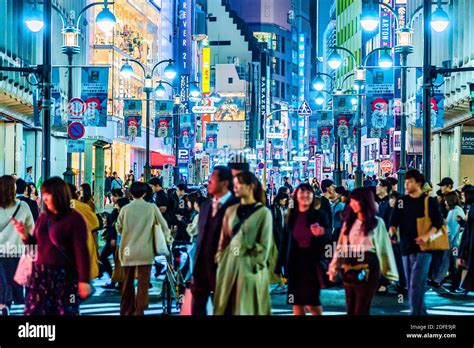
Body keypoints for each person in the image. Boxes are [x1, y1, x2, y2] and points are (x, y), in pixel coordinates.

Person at [13, 177, 91, 315]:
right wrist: (24, 235)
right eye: (44, 194)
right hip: (40, 276)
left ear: (59, 195)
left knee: (64, 311)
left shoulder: (74, 219)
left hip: (64, 276)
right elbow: (35, 245)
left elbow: (81, 250)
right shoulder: (43, 218)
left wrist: (84, 280)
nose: (45, 198)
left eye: (48, 194)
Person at [328, 188, 398, 315]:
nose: (353, 204)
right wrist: (334, 266)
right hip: (349, 265)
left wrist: (389, 274)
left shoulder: (377, 223)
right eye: (352, 201)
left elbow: (384, 249)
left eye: (356, 201)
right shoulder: (348, 223)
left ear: (365, 202)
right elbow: (340, 246)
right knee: (350, 307)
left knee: (362, 307)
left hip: (369, 266)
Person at [213, 172, 273, 315]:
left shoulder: (264, 213)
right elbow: (223, 241)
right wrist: (221, 259)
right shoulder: (230, 210)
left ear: (251, 186)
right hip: (228, 267)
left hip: (250, 270)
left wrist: (252, 264)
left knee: (248, 308)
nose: (236, 187)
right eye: (235, 183)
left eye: (239, 183)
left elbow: (265, 246)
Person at [389, 170, 443, 315]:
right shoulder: (401, 201)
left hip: (424, 248)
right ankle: (421, 313)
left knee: (415, 284)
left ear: (418, 183)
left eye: (409, 182)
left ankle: (415, 314)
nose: (406, 184)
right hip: (406, 247)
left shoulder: (428, 201)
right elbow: (394, 221)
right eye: (405, 182)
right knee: (411, 284)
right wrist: (392, 232)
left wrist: (426, 236)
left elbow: (438, 222)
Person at [116, 182, 170, 315]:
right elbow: (163, 225)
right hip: (145, 251)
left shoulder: (125, 209)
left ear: (131, 193)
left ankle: (126, 310)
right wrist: (168, 239)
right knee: (143, 284)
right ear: (145, 193)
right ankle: (139, 310)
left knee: (127, 283)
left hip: (127, 251)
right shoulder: (151, 208)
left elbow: (119, 227)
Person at [191, 166, 239, 315]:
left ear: (224, 183)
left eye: (212, 180)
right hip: (201, 264)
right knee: (197, 306)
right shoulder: (205, 205)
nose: (208, 183)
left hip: (224, 265)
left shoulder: (237, 206)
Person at [279, 183, 329, 315]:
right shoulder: (290, 216)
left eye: (308, 192)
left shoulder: (319, 215)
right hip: (294, 265)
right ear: (296, 196)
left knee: (312, 303)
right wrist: (279, 266)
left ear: (313, 196)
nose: (305, 195)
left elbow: (329, 237)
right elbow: (285, 242)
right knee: (296, 303)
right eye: (302, 192)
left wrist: (322, 232)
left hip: (312, 264)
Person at [0, 176, 34, 315]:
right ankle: (11, 305)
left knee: (3, 284)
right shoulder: (23, 206)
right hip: (17, 253)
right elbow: (31, 230)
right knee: (15, 285)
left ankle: (4, 305)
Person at [100, 189, 124, 288]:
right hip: (112, 239)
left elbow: (116, 226)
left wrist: (113, 238)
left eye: (114, 196)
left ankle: (116, 280)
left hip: (116, 240)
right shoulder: (115, 210)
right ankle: (115, 279)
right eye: (111, 196)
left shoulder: (121, 210)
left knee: (115, 260)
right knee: (112, 259)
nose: (112, 198)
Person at [444, 191, 466, 292]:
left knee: (455, 262)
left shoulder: (457, 211)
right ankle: (454, 284)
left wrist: (450, 241)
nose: (445, 202)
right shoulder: (452, 211)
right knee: (452, 263)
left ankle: (456, 285)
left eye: (446, 200)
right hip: (451, 241)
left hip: (455, 242)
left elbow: (456, 228)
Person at [269, 192, 289, 293]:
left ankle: (284, 280)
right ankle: (281, 280)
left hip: (282, 236)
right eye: (284, 199)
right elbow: (274, 225)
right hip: (275, 237)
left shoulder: (282, 209)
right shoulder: (273, 209)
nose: (285, 202)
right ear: (280, 199)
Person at [459, 189, 474, 293]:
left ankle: (465, 286)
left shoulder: (472, 209)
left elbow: (468, 229)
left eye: (464, 195)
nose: (462, 198)